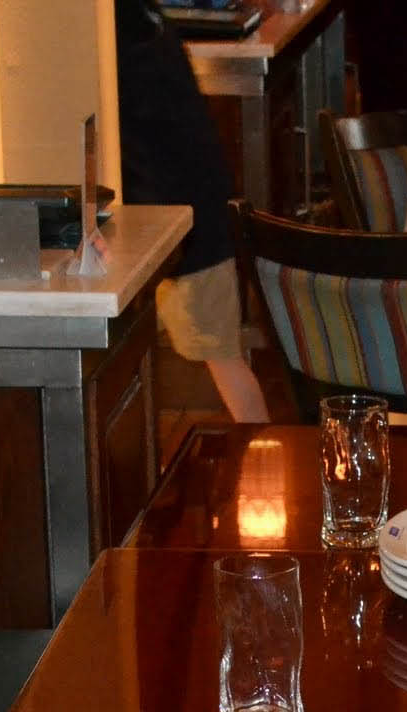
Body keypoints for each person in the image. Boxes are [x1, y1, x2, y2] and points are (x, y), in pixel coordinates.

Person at [114, 0, 270, 423]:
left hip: (183, 224)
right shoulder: (145, 21)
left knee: (222, 357)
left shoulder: (117, 35)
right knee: (212, 356)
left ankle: (262, 452)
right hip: (187, 213)